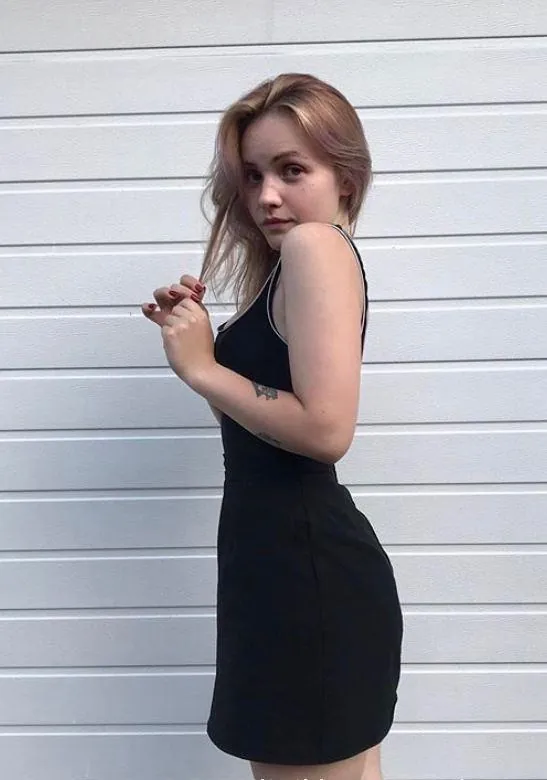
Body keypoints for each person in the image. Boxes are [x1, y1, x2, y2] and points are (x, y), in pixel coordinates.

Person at [142, 73, 403, 780]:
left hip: (301, 577)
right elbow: (261, 430)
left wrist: (205, 369)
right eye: (253, 175)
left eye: (292, 170)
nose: (265, 196)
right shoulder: (288, 270)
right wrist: (197, 346)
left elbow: (324, 431)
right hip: (289, 569)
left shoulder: (315, 248)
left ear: (346, 178)